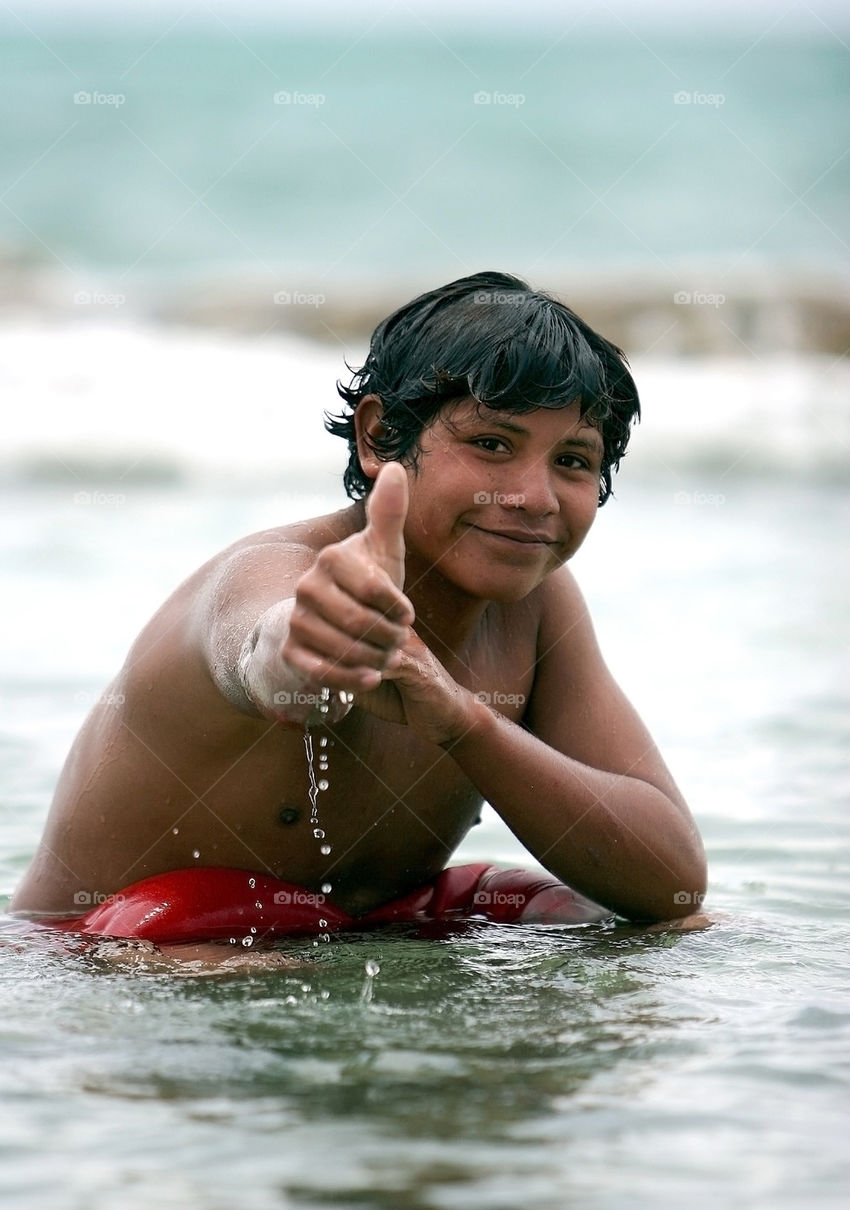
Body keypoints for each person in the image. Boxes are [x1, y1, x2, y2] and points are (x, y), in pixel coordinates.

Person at [10, 271, 706, 949]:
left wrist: (463, 722)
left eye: (573, 461)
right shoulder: (271, 573)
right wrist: (313, 645)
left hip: (367, 923)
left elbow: (671, 879)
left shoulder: (537, 607)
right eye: (491, 444)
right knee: (230, 970)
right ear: (377, 438)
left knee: (670, 932)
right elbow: (261, 648)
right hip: (129, 938)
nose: (534, 497)